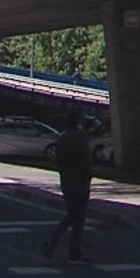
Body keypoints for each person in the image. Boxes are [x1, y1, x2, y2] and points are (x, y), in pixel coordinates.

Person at [42, 112, 94, 264]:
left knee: (72, 215)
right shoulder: (80, 139)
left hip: (66, 181)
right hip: (79, 182)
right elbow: (85, 162)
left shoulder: (62, 139)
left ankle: (53, 241)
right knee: (78, 219)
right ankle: (74, 253)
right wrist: (88, 177)